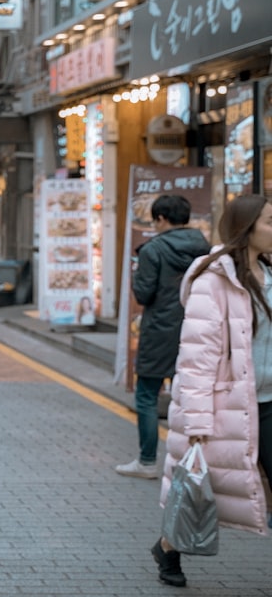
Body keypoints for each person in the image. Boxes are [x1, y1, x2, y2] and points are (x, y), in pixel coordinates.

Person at [151, 194, 271, 588]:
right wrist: (199, 420)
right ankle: (169, 545)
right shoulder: (213, 280)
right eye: (270, 222)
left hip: (268, 402)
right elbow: (197, 358)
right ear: (246, 229)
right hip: (228, 405)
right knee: (205, 489)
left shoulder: (270, 272)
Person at [116, 194, 210, 479]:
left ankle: (147, 462)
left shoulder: (152, 250)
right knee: (192, 396)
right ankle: (192, 462)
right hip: (197, 327)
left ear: (160, 219)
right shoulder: (204, 247)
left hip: (159, 330)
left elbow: (144, 293)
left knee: (146, 395)